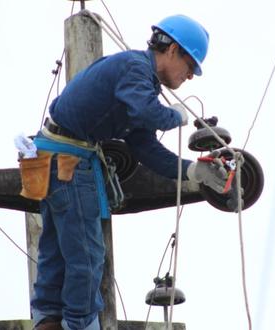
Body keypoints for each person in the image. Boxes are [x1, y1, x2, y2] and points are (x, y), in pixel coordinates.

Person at [29, 14, 227, 330]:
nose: (190, 76)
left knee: (56, 250)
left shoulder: (137, 83)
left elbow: (144, 147)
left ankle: (48, 320)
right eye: (190, 66)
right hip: (68, 161)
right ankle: (80, 325)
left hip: (53, 157)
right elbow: (149, 113)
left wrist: (192, 172)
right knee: (88, 256)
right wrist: (175, 115)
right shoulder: (135, 69)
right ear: (173, 49)